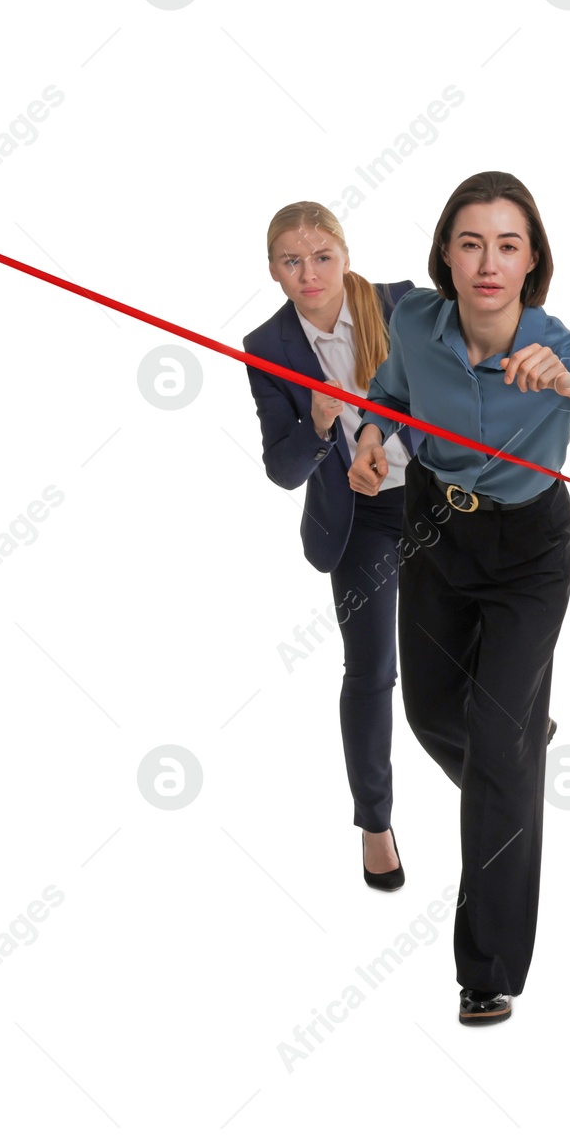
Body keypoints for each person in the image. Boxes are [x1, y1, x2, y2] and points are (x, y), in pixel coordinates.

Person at [348, 171, 570, 1026]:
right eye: (470, 242)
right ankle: (514, 767)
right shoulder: (416, 320)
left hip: (528, 553)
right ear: (446, 258)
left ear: (533, 263)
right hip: (432, 533)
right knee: (431, 716)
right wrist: (374, 436)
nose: (488, 261)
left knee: (496, 752)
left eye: (508, 244)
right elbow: (388, 392)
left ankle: (487, 970)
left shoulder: (564, 345)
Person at [243, 203, 417, 890]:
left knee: (471, 635)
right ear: (273, 273)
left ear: (344, 256)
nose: (308, 273)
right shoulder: (266, 348)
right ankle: (376, 822)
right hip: (362, 519)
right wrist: (317, 426)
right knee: (373, 669)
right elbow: (283, 470)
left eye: (321, 257)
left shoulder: (400, 305)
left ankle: (494, 735)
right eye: (292, 261)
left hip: (440, 498)